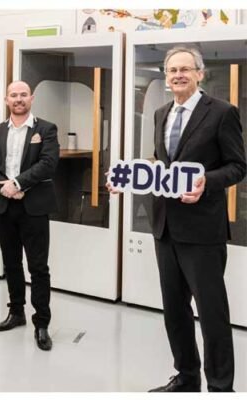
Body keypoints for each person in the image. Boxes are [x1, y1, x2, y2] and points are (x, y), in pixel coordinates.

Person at [110, 46, 246, 392]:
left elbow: (237, 166)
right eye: (172, 70)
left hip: (202, 230)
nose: (178, 75)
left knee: (212, 313)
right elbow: (162, 163)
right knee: (174, 309)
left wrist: (206, 182)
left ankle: (220, 388)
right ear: (166, 75)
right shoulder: (161, 113)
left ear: (200, 74)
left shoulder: (222, 112)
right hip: (165, 227)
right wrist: (128, 177)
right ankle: (186, 378)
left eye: (185, 69)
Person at [0, 80, 59, 351]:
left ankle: (42, 324)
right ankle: (16, 312)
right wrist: (4, 186)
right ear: (6, 100)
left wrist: (18, 184)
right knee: (11, 263)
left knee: (38, 267)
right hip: (3, 205)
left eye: (23, 95)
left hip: (33, 207)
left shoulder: (46, 129)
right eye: (13, 95)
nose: (18, 99)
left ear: (31, 98)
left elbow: (48, 164)